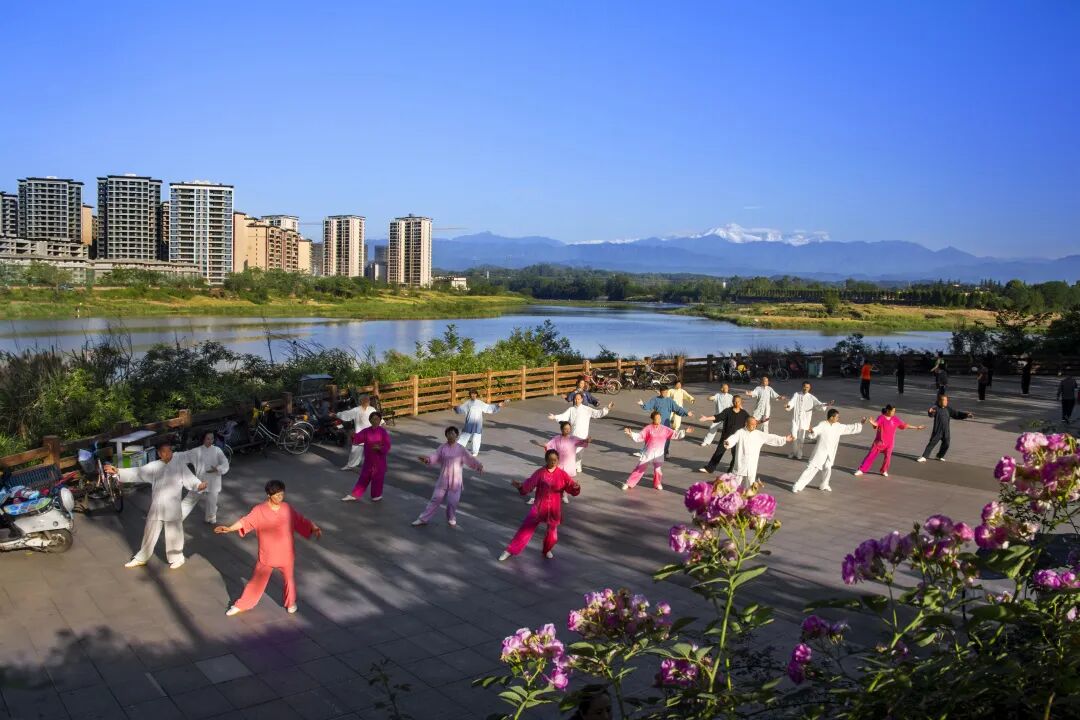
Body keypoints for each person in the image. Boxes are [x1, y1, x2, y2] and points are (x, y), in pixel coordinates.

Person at [217, 480, 321, 616]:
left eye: (282, 494)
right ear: (268, 495)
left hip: (286, 553)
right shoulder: (259, 510)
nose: (280, 498)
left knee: (289, 580)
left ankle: (291, 603)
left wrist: (313, 527)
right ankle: (241, 605)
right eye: (277, 495)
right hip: (267, 554)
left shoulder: (287, 508)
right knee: (257, 582)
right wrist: (230, 528)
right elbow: (246, 521)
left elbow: (300, 520)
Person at [105, 440, 207, 570]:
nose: (168, 454)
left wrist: (199, 485)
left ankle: (177, 558)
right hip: (157, 506)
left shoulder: (180, 466)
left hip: (173, 507)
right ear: (159, 453)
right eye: (164, 452)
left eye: (170, 451)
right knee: (149, 532)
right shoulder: (154, 466)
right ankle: (141, 557)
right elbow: (138, 472)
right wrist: (118, 471)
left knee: (174, 533)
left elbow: (191, 479)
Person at [499, 449, 581, 561]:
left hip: (554, 509)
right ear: (546, 460)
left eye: (555, 460)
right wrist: (521, 486)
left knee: (552, 535)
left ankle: (547, 549)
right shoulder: (540, 473)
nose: (553, 462)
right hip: (539, 507)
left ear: (558, 460)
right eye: (550, 460)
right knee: (525, 529)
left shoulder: (562, 475)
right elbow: (529, 485)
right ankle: (510, 550)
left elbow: (571, 487)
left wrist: (576, 488)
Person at [412, 427, 483, 529]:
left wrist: (479, 465)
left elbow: (470, 458)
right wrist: (427, 460)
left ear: (457, 435)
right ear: (446, 435)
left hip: (456, 481)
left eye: (453, 433)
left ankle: (451, 517)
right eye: (449, 433)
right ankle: (423, 519)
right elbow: (435, 456)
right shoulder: (442, 448)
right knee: (435, 499)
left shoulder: (461, 449)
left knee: (452, 502)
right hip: (443, 479)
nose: (451, 435)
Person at [791, 410, 866, 493]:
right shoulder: (822, 424)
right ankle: (797, 485)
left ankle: (824, 485)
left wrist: (860, 424)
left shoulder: (838, 426)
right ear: (831, 417)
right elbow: (816, 430)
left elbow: (848, 428)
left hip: (830, 452)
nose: (838, 418)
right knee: (811, 468)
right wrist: (812, 431)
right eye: (837, 417)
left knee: (827, 467)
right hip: (820, 452)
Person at [621, 411, 690, 491]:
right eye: (657, 418)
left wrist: (684, 431)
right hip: (648, 452)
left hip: (659, 453)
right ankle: (629, 483)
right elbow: (640, 436)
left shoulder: (665, 429)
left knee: (658, 470)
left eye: (660, 418)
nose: (659, 420)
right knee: (640, 467)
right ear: (653, 419)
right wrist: (631, 433)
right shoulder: (648, 428)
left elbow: (675, 434)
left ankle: (657, 483)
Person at [854, 405, 925, 477]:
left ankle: (884, 470)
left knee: (888, 458)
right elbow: (876, 425)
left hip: (889, 444)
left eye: (894, 411)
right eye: (893, 411)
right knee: (871, 456)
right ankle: (861, 470)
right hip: (879, 442)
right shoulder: (881, 417)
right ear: (888, 411)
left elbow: (904, 425)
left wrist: (916, 427)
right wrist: (872, 423)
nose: (894, 412)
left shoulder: (895, 419)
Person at [723, 416, 792, 489]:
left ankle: (748, 496)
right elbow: (733, 438)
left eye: (755, 424)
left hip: (751, 465)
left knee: (750, 487)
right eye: (752, 424)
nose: (754, 426)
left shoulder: (758, 434)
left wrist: (784, 439)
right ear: (746, 424)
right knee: (734, 485)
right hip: (740, 464)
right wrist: (728, 442)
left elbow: (770, 437)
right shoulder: (740, 432)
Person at [549, 394, 612, 473]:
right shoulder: (571, 409)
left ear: (582, 400)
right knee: (572, 451)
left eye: (578, 399)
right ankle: (571, 466)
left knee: (579, 452)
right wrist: (554, 417)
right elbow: (563, 416)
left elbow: (598, 413)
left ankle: (577, 465)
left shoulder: (587, 409)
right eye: (575, 399)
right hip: (573, 434)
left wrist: (607, 408)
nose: (576, 400)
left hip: (583, 434)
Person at [178, 431, 230, 525]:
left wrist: (217, 469)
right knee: (189, 501)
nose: (210, 441)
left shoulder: (217, 450)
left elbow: (225, 462)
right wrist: (170, 456)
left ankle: (210, 518)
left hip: (214, 481)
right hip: (200, 481)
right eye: (208, 438)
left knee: (212, 502)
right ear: (203, 439)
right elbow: (184, 455)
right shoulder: (197, 451)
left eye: (212, 438)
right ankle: (176, 518)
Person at [531, 422, 589, 504]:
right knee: (556, 481)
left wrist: (587, 440)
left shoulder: (573, 438)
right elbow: (549, 445)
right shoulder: (557, 439)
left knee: (567, 481)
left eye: (569, 429)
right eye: (565, 429)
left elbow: (582, 442)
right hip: (559, 463)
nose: (567, 430)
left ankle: (565, 496)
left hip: (569, 464)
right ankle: (552, 495)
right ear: (561, 429)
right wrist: (542, 445)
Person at [342, 412, 391, 502]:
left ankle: (377, 496)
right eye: (373, 419)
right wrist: (353, 435)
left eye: (377, 419)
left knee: (377, 480)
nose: (375, 421)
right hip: (368, 461)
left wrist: (379, 448)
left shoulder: (383, 432)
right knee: (363, 478)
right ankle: (354, 495)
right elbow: (357, 438)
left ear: (380, 420)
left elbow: (387, 446)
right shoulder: (366, 431)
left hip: (379, 461)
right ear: (370, 420)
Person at [698, 395, 750, 474]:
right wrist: (706, 418)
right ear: (732, 402)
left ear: (741, 402)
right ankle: (709, 468)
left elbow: (751, 421)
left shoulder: (744, 413)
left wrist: (760, 421)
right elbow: (718, 417)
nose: (736, 403)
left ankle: (731, 471)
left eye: (738, 401)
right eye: (735, 401)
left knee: (736, 455)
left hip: (737, 439)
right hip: (726, 437)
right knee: (718, 453)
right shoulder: (728, 411)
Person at [638, 386, 692, 457]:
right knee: (651, 437)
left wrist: (686, 412)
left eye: (666, 392)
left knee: (666, 438)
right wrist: (642, 404)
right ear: (660, 392)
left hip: (666, 423)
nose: (665, 394)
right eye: (664, 392)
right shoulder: (655, 399)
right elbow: (648, 406)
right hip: (656, 423)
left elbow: (677, 409)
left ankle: (665, 452)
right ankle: (645, 452)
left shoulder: (669, 401)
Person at [917, 396, 973, 462]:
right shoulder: (936, 408)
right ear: (940, 401)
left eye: (947, 400)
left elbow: (956, 414)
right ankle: (924, 457)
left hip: (946, 431)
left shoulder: (948, 409)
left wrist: (966, 415)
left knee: (946, 444)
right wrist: (930, 412)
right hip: (938, 430)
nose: (946, 402)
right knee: (932, 443)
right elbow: (931, 414)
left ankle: (939, 456)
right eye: (945, 400)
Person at [784, 382, 831, 460]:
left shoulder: (811, 397)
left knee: (801, 438)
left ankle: (799, 453)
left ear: (809, 388)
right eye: (804, 387)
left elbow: (819, 404)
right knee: (793, 436)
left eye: (807, 387)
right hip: (795, 419)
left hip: (804, 420)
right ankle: (794, 452)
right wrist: (788, 405)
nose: (805, 388)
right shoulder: (797, 394)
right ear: (802, 387)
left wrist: (826, 404)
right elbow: (791, 402)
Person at [454, 389, 505, 456]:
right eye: (471, 394)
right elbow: (461, 409)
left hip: (478, 423)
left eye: (474, 394)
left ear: (476, 395)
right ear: (470, 395)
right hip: (469, 422)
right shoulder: (467, 403)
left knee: (477, 437)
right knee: (464, 436)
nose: (473, 395)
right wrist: (455, 408)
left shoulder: (480, 403)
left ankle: (475, 452)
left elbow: (488, 408)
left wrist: (497, 405)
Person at [338, 395, 378, 471]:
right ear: (361, 401)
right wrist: (337, 414)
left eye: (368, 400)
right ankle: (351, 465)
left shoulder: (372, 409)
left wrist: (382, 423)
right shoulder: (356, 410)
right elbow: (347, 414)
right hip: (360, 434)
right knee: (355, 451)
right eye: (366, 400)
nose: (368, 401)